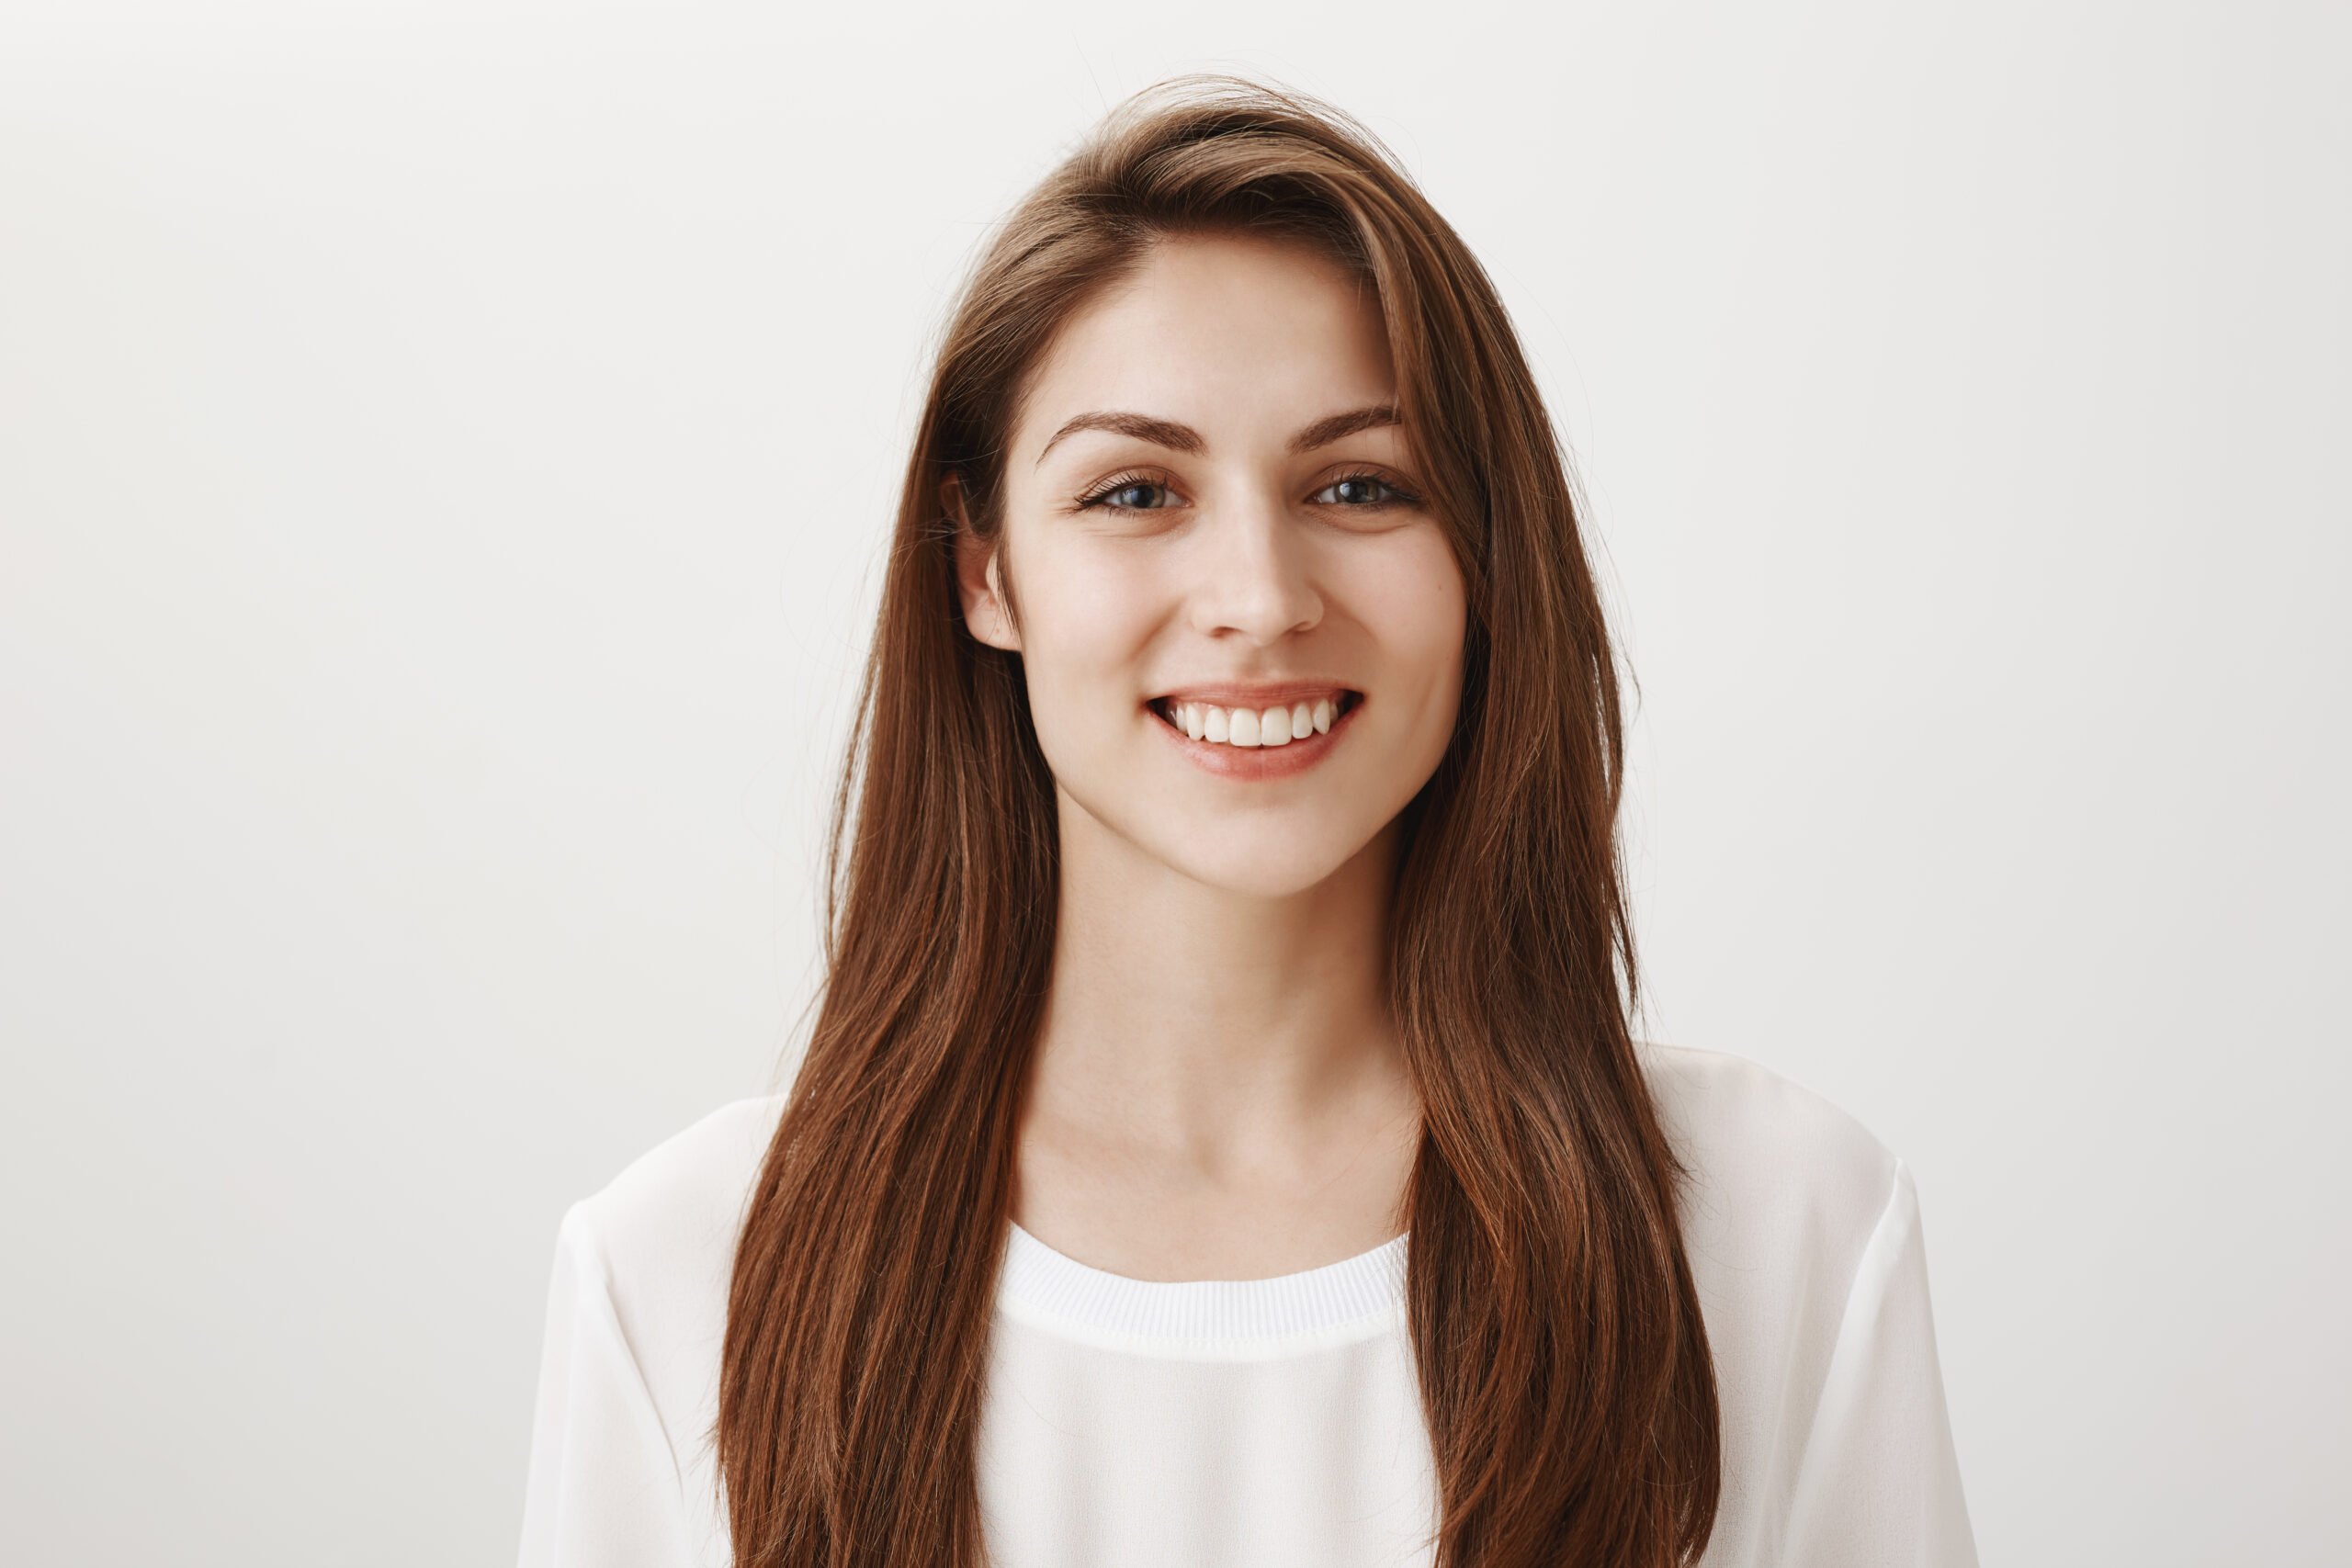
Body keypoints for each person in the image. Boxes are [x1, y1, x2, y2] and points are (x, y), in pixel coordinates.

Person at [514, 73, 1978, 1568]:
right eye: (1138, 492)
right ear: (984, 569)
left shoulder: (1783, 1231)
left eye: (1359, 484)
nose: (1263, 601)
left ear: (1487, 557)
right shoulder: (682, 1277)